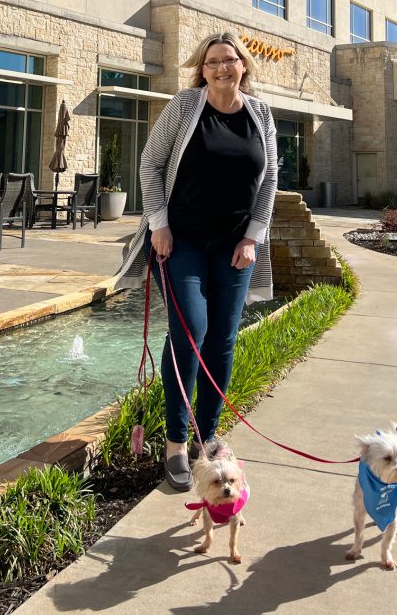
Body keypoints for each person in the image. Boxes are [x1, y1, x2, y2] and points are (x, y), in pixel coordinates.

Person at [116, 32, 277, 491]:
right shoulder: (185, 106)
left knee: (223, 340)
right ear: (202, 70)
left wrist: (252, 237)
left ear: (243, 65)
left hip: (234, 246)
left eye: (229, 60)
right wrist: (159, 224)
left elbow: (269, 179)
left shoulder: (260, 113)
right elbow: (150, 163)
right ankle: (175, 443)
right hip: (180, 240)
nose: (222, 68)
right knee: (191, 332)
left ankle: (207, 439)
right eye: (212, 62)